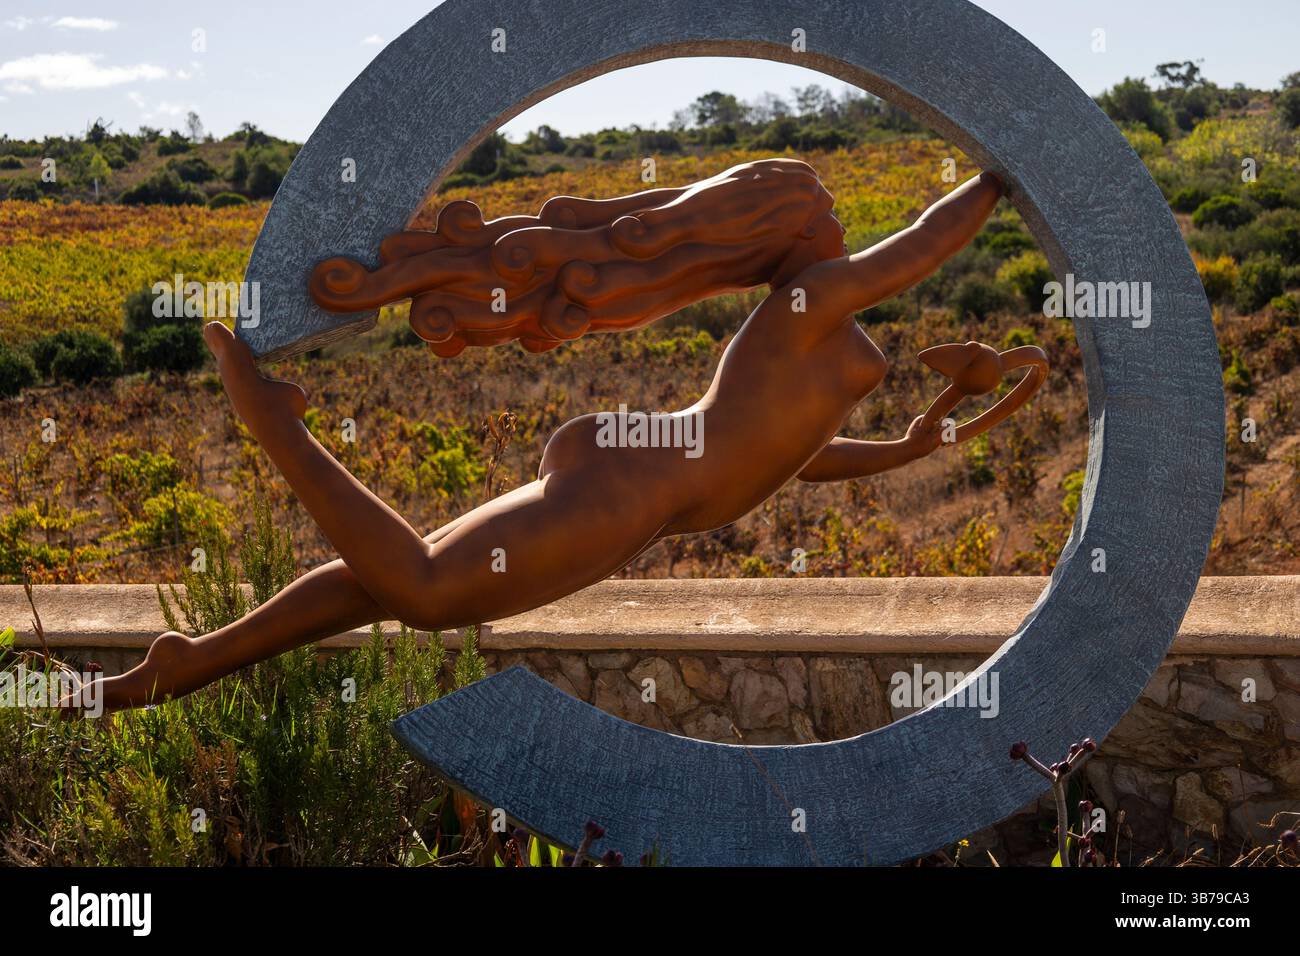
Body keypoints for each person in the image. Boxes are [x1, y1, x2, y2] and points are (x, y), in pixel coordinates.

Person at [89, 160, 1006, 711]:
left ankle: (193, 661)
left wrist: (906, 448)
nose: (846, 233)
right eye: (832, 219)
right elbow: (923, 241)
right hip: (638, 483)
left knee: (383, 587)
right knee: (429, 589)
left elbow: (788, 457)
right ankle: (273, 423)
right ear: (787, 236)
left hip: (644, 469)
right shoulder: (814, 302)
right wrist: (1004, 177)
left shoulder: (804, 323)